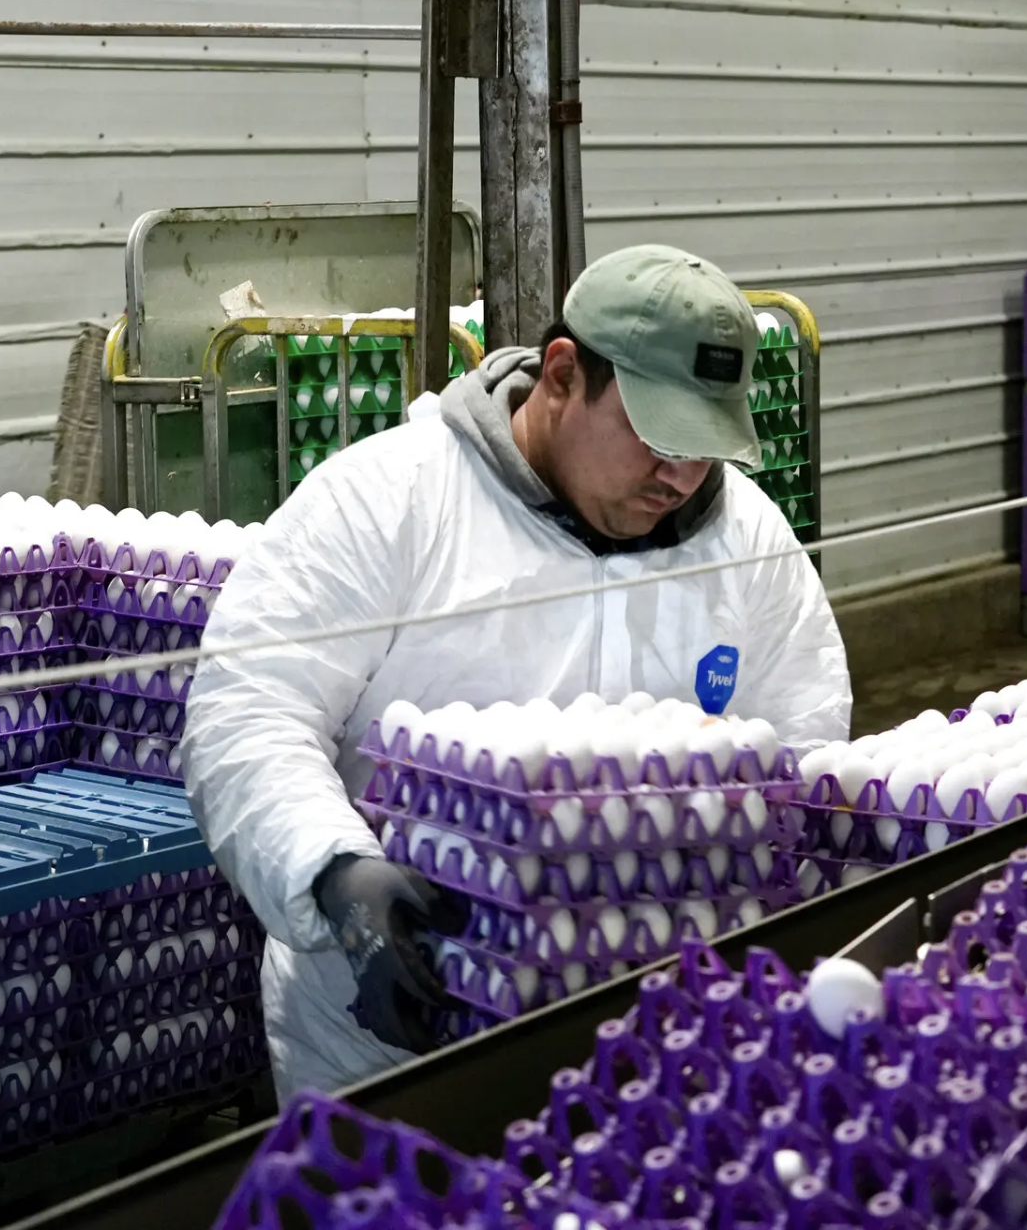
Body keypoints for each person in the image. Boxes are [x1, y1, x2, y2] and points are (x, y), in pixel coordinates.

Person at [183, 244, 851, 1100]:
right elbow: (250, 710)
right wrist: (333, 871)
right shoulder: (394, 501)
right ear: (564, 374)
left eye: (704, 445)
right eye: (657, 434)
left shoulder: (745, 539)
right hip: (399, 1031)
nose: (680, 475)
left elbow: (800, 734)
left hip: (655, 1032)